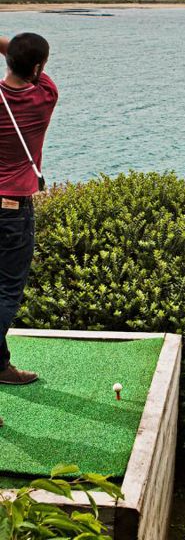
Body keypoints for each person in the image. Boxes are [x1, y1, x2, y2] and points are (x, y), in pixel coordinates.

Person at [0, 32, 58, 427]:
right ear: (38, 68)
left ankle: (0, 365)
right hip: (13, 211)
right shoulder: (44, 97)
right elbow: (33, 69)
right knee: (5, 291)